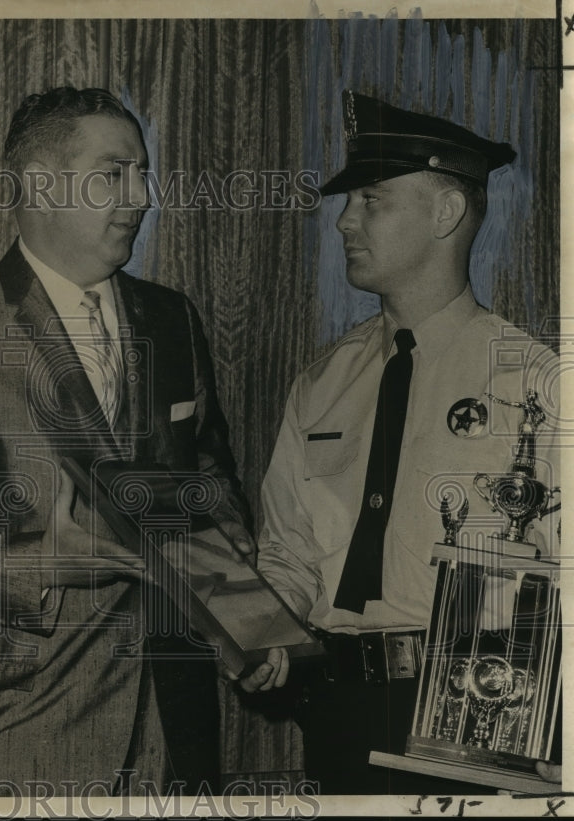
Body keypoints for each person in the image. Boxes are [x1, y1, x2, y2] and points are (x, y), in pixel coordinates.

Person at [0, 86, 273, 795]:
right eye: (115, 172)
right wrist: (42, 561)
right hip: (15, 731)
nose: (142, 195)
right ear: (41, 186)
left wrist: (243, 617)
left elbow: (209, 486)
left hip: (176, 729)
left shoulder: (172, 318)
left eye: (143, 172)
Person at [256, 90, 561, 794]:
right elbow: (287, 550)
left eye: (371, 199)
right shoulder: (322, 382)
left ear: (445, 212)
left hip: (479, 714)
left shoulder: (536, 383)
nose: (344, 221)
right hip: (336, 715)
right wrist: (264, 624)